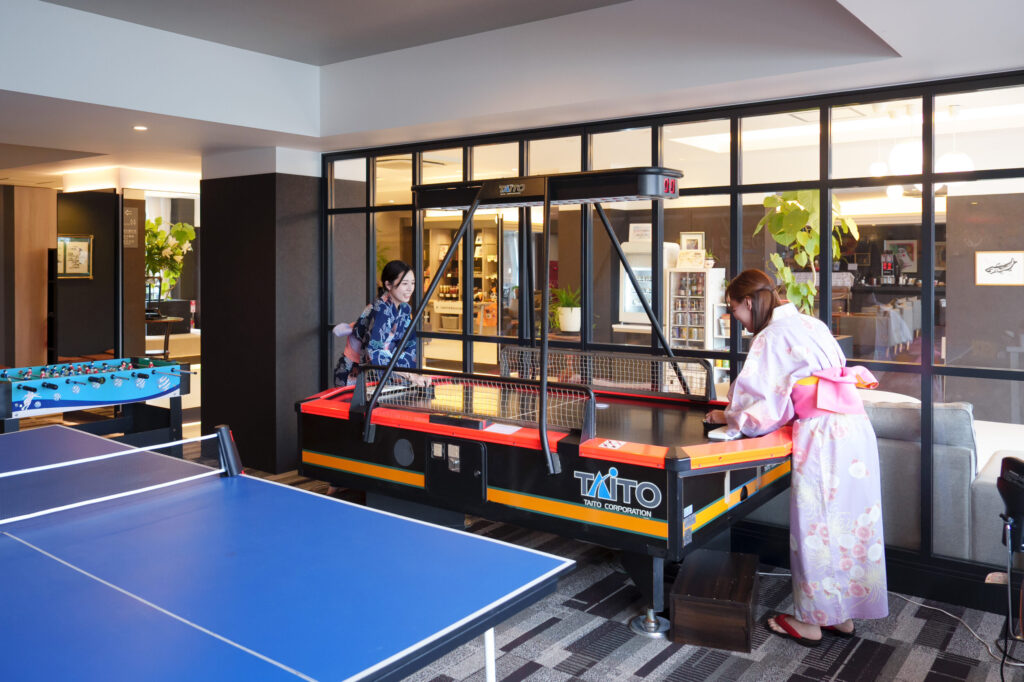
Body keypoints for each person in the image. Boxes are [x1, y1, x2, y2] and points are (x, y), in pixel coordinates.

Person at [704, 269, 887, 646]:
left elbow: (762, 409)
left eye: (734, 310)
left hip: (824, 436)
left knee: (817, 527)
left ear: (749, 302)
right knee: (852, 525)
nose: (736, 319)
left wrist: (731, 417)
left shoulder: (770, 337)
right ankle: (842, 615)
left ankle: (810, 622)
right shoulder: (812, 323)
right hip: (855, 430)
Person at [332, 259, 417, 387]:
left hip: (381, 373)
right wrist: (409, 375)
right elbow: (374, 351)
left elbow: (410, 343)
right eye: (404, 283)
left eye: (413, 283)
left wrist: (410, 373)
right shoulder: (381, 309)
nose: (410, 288)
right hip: (356, 373)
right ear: (388, 285)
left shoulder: (405, 309)